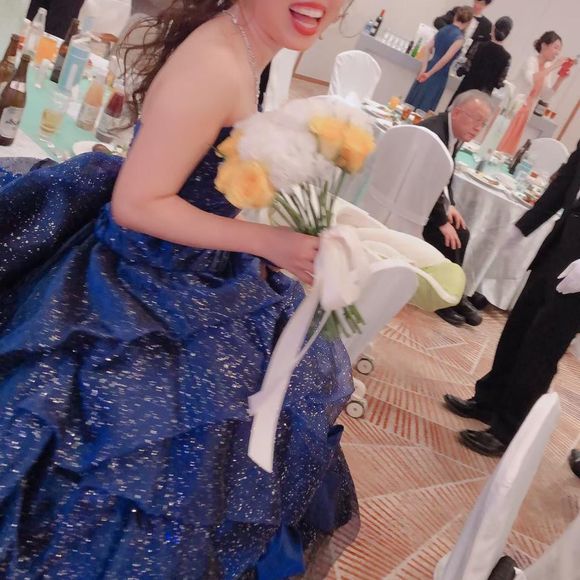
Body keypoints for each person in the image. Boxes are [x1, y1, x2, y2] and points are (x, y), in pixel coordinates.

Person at [0, 1, 358, 577]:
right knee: (126, 482)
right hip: (137, 290)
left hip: (182, 273)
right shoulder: (215, 61)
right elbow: (138, 203)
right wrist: (266, 242)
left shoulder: (249, 45)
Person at [444, 143, 580, 456]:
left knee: (541, 349)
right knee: (517, 330)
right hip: (558, 250)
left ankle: (509, 429)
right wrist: (522, 228)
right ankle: (489, 401)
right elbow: (563, 186)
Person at [419, 89, 493, 326]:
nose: (478, 128)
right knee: (453, 235)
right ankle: (444, 298)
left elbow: (444, 176)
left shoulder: (450, 132)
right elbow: (424, 181)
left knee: (461, 230)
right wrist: (441, 221)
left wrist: (450, 205)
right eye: (476, 120)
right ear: (458, 112)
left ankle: (453, 294)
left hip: (426, 199)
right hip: (414, 203)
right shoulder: (435, 133)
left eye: (483, 124)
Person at [498, 31, 572, 155]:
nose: (557, 52)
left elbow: (545, 95)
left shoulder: (547, 67)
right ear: (544, 45)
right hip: (512, 107)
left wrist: (560, 79)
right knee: (499, 140)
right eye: (555, 47)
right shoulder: (531, 61)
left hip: (525, 112)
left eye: (559, 49)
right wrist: (553, 66)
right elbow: (531, 79)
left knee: (508, 148)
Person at [406, 6, 473, 113]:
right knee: (424, 108)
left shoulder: (443, 29)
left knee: (411, 104)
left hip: (428, 67)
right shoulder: (459, 39)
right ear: (468, 23)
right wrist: (429, 74)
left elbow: (427, 48)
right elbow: (445, 59)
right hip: (439, 75)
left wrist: (424, 69)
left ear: (455, 16)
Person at [448, 16, 513, 105]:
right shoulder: (507, 58)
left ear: (493, 28)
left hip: (466, 89)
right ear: (507, 34)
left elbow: (465, 68)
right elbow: (499, 83)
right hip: (483, 97)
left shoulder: (479, 45)